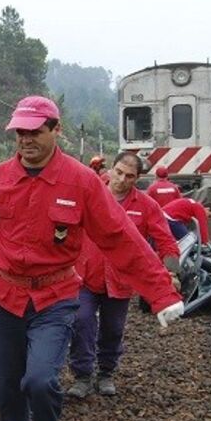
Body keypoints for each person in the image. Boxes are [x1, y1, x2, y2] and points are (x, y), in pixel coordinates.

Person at [0, 97, 183, 421]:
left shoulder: (81, 182)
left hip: (54, 296)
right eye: (20, 132)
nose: (26, 139)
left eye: (35, 132)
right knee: (8, 387)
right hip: (3, 295)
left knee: (40, 380)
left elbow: (119, 237)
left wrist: (161, 292)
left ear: (55, 130)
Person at [68, 151, 181, 398]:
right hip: (84, 276)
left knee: (113, 328)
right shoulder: (88, 195)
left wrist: (171, 271)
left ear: (137, 179)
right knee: (81, 320)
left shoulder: (146, 206)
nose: (121, 179)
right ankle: (82, 375)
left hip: (120, 280)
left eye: (129, 176)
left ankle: (106, 372)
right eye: (118, 172)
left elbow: (166, 241)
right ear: (111, 169)